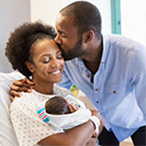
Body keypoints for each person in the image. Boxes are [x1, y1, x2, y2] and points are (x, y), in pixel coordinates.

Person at [9, 1, 146, 146]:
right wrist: (25, 83)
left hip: (136, 121)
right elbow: (49, 89)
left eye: (62, 34)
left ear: (87, 37)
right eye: (57, 32)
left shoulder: (133, 56)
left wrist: (93, 120)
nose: (56, 40)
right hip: (103, 125)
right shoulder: (67, 58)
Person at [5, 21, 103, 146]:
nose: (56, 64)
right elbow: (69, 144)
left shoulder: (64, 93)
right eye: (46, 60)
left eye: (59, 56)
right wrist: (95, 118)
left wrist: (89, 130)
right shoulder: (24, 104)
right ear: (30, 67)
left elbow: (91, 137)